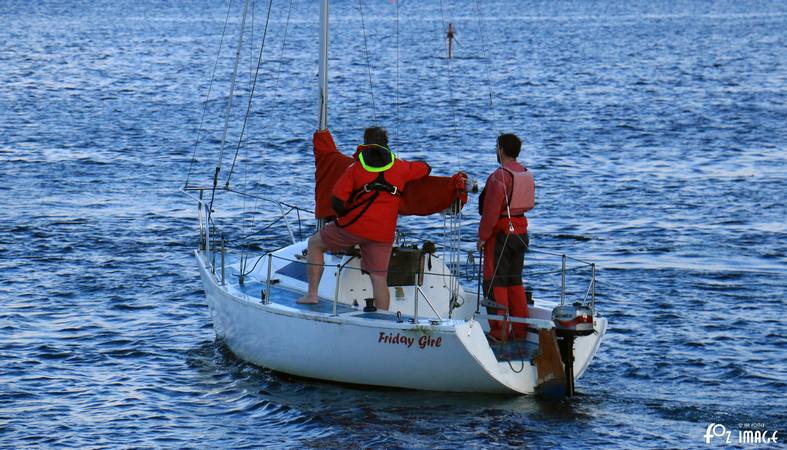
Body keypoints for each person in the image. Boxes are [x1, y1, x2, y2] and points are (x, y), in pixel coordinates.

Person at [298, 126, 431, 310]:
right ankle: (383, 318)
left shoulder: (356, 168)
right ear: (386, 145)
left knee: (315, 243)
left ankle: (312, 295)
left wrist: (342, 217)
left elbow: (337, 199)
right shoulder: (402, 168)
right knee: (378, 278)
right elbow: (425, 168)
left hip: (353, 228)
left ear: (365, 145)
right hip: (383, 234)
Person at [476, 133, 535, 341]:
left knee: (494, 283)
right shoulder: (526, 173)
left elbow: (491, 211)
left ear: (500, 150)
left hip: (501, 233)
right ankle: (520, 331)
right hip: (521, 232)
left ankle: (499, 332)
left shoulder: (498, 177)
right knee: (514, 282)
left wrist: (482, 237)